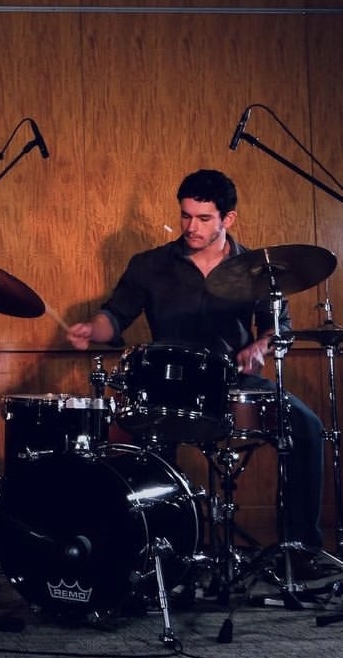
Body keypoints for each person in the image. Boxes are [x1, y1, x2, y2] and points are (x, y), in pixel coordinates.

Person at [66, 169, 333, 579]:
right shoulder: (150, 264)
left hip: (231, 379)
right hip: (165, 384)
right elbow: (114, 316)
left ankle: (299, 548)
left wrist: (260, 346)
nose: (191, 227)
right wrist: (92, 329)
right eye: (186, 216)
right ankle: (156, 556)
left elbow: (277, 328)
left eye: (203, 218)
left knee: (306, 426)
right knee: (132, 447)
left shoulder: (259, 269)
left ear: (229, 219)